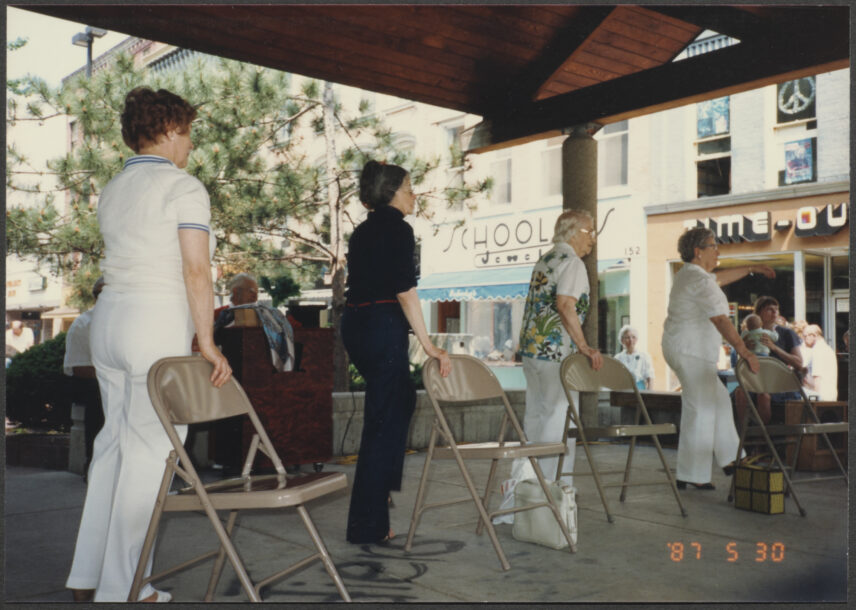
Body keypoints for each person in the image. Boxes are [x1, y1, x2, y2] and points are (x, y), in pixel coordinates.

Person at [65, 87, 231, 603]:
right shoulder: (183, 187)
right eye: (188, 135)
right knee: (151, 455)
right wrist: (206, 340)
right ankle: (126, 589)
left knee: (113, 448)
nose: (190, 147)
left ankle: (88, 576)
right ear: (170, 130)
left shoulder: (114, 186)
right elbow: (196, 269)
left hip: (108, 322)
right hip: (155, 321)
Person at [340, 160, 451, 545]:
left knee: (397, 403)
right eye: (408, 187)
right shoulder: (399, 230)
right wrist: (429, 344)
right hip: (381, 323)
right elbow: (405, 291)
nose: (414, 194)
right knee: (383, 423)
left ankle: (383, 482)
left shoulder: (361, 231)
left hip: (356, 324)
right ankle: (367, 526)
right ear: (391, 193)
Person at [495, 209, 603, 522]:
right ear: (574, 232)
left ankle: (527, 489)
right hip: (557, 353)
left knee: (536, 419)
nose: (592, 239)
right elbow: (565, 304)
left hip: (532, 351)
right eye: (589, 231)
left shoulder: (545, 259)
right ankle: (553, 491)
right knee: (560, 421)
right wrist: (583, 346)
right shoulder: (573, 263)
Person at [661, 228, 774, 490]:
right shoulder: (698, 281)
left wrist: (750, 267)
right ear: (698, 252)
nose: (718, 250)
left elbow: (719, 278)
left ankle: (731, 459)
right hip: (691, 351)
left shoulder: (692, 275)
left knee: (720, 400)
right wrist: (745, 352)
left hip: (686, 350)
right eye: (713, 246)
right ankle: (693, 474)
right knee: (700, 408)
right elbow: (720, 319)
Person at [734, 296, 803, 425]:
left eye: (776, 309)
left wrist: (774, 348)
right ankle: (744, 434)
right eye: (769, 309)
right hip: (754, 379)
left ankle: (763, 437)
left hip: (778, 383)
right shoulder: (748, 334)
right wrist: (744, 350)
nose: (774, 312)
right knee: (740, 393)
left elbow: (799, 363)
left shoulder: (786, 333)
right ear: (758, 313)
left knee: (763, 395)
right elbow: (739, 362)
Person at [63, 277, 107, 473]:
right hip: (92, 384)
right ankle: (94, 464)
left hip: (120, 384)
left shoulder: (130, 323)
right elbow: (78, 367)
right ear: (98, 295)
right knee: (98, 397)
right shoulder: (83, 324)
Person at [802, 324, 838, 401]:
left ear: (813, 335)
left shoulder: (817, 351)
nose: (804, 340)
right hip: (830, 395)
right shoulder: (827, 349)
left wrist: (815, 403)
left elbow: (817, 379)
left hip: (821, 396)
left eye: (805, 337)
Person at [614, 324, 654, 390]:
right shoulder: (618, 358)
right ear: (622, 340)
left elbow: (650, 378)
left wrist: (649, 395)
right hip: (622, 390)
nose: (631, 340)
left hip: (639, 390)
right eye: (627, 337)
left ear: (637, 339)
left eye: (633, 337)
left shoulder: (644, 356)